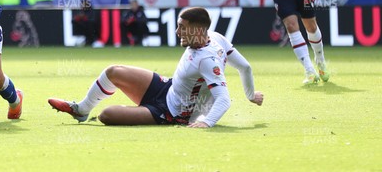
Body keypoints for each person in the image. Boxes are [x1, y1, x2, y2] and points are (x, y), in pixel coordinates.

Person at [49, 7, 264, 127]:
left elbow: (223, 99)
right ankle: (81, 110)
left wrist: (207, 122)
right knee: (113, 71)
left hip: (171, 112)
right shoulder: (216, 37)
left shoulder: (207, 60)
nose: (178, 32)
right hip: (167, 88)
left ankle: (96, 112)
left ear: (198, 31)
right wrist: (251, 94)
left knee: (106, 116)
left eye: (182, 28)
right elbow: (245, 67)